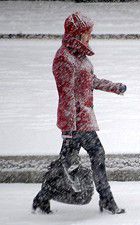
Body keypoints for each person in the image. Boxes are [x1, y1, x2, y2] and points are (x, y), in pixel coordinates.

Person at [32, 12, 126, 214]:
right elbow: (66, 95)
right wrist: (68, 129)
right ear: (77, 33)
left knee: (66, 162)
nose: (89, 37)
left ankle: (42, 198)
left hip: (82, 119)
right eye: (86, 33)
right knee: (96, 154)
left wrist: (115, 87)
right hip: (75, 122)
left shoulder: (80, 58)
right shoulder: (64, 58)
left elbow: (92, 81)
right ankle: (106, 200)